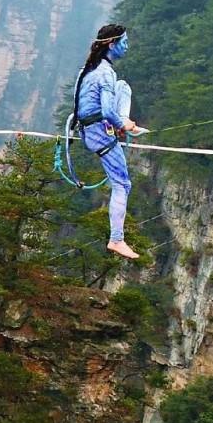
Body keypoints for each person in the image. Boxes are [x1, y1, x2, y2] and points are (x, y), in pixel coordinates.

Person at [73, 23, 146, 260]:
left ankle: (126, 122)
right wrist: (120, 125)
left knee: (123, 87)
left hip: (90, 126)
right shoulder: (105, 72)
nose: (127, 45)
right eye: (124, 42)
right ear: (112, 44)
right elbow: (105, 109)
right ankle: (116, 239)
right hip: (98, 132)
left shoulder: (91, 68)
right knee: (122, 184)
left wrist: (119, 122)